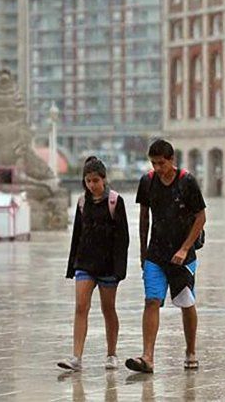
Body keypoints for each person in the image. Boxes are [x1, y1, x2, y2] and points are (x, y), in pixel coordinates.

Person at [126, 139, 206, 373]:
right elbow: (143, 218)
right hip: (156, 253)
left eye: (161, 163)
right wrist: (143, 252)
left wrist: (184, 249)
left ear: (172, 160)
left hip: (183, 255)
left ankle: (190, 350)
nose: (158, 168)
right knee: (151, 300)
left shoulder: (187, 182)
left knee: (186, 302)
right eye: (153, 163)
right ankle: (147, 357)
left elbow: (201, 218)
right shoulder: (148, 182)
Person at [58, 157, 130, 372]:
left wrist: (120, 270)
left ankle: (111, 353)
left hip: (108, 266)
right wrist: (72, 266)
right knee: (81, 307)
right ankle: (76, 358)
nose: (91, 185)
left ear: (104, 179)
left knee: (108, 309)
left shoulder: (115, 202)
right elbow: (77, 236)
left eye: (95, 180)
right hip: (85, 263)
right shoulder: (81, 202)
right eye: (88, 181)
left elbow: (123, 239)